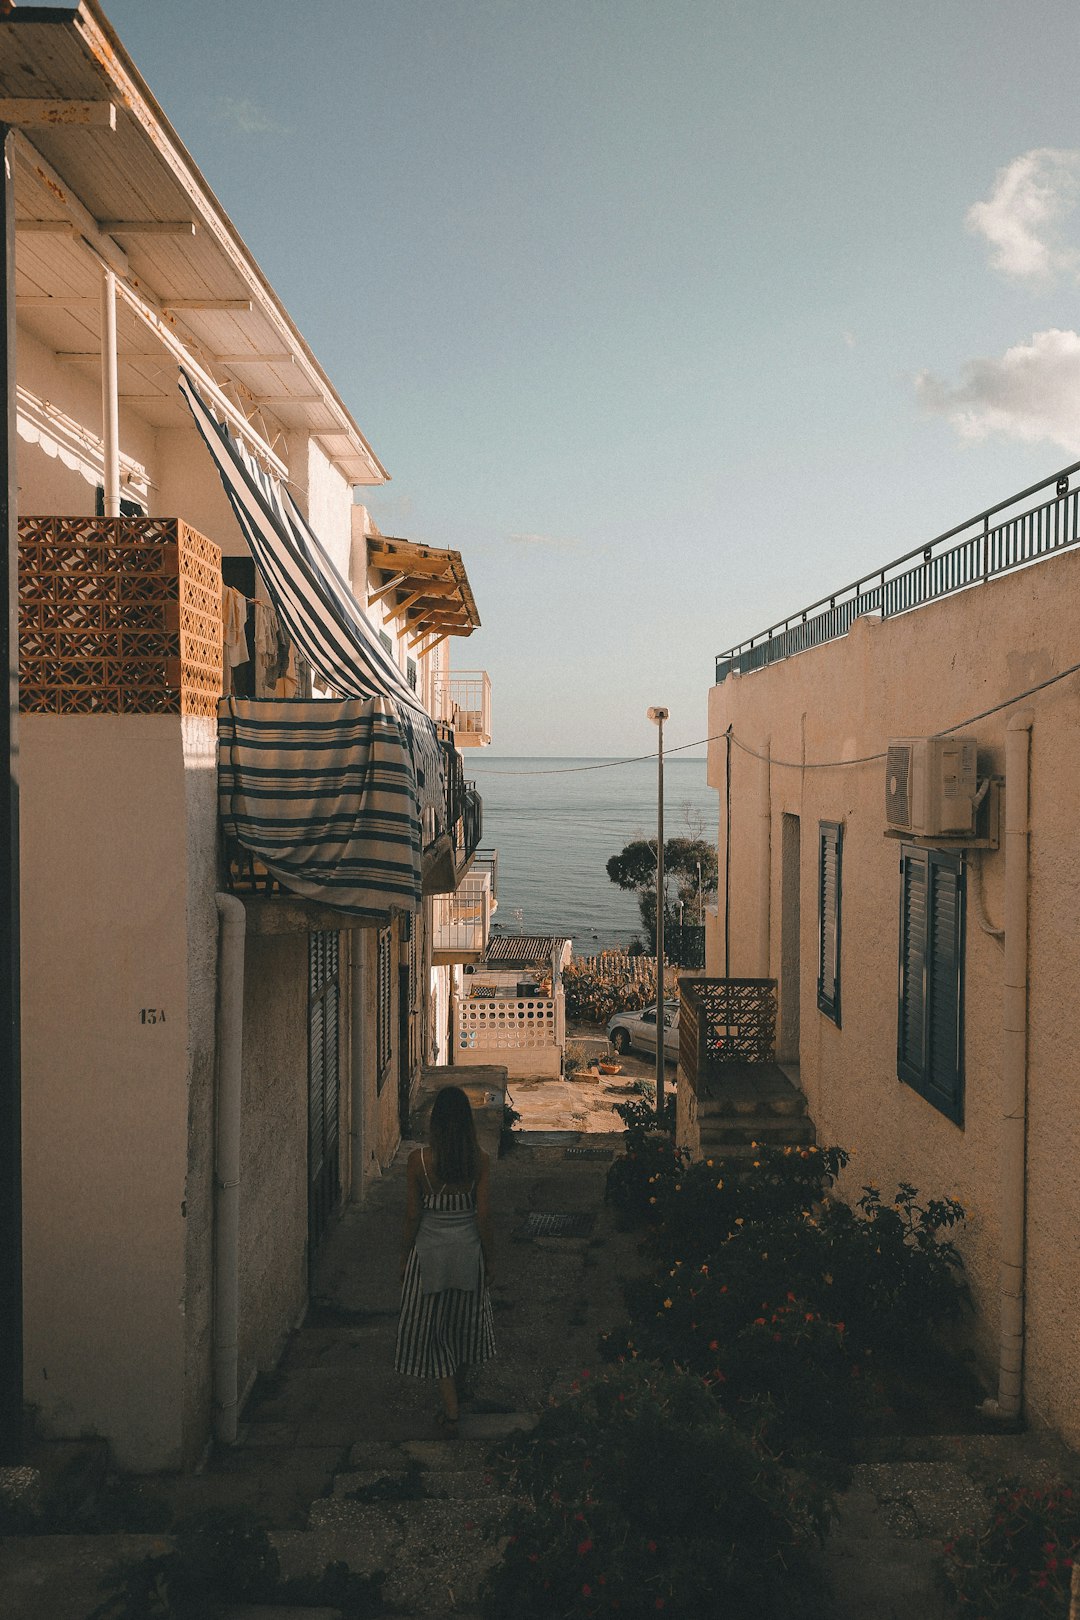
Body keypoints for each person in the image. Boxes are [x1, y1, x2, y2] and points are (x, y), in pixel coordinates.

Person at [395, 1085, 495, 1432]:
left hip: (430, 1257)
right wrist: (490, 1259)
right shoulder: (479, 1161)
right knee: (464, 1326)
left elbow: (412, 1215)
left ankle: (451, 1410)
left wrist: (405, 1255)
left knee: (434, 1333)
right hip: (467, 1252)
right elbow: (482, 1217)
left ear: (435, 1121)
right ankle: (461, 1388)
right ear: (467, 1122)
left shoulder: (418, 1162)